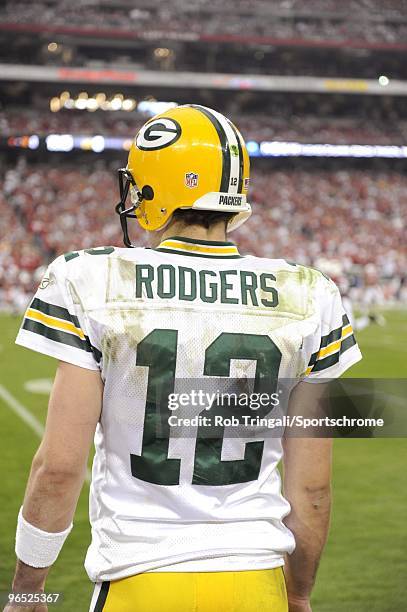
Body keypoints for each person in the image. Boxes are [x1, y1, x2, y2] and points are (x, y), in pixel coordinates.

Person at [5, 105, 362, 612]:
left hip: (138, 579)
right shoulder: (309, 293)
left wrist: (26, 590)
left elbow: (59, 468)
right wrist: (298, 592)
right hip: (254, 582)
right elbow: (314, 489)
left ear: (155, 187)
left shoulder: (92, 278)